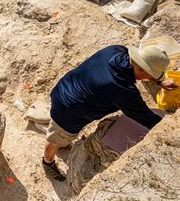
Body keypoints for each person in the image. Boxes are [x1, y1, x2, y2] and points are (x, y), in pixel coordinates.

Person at [43, 45, 177, 181]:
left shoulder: (117, 50)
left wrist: (160, 82)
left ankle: (62, 143)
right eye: (151, 74)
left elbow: (140, 70)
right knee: (56, 138)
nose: (149, 78)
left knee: (63, 136)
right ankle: (48, 163)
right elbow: (146, 118)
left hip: (66, 85)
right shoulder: (122, 89)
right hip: (68, 109)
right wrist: (172, 130)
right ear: (142, 69)